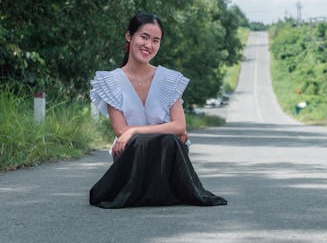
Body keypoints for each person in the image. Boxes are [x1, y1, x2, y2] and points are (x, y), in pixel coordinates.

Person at [88, 12, 227, 208]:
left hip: (166, 158)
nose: (149, 45)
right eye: (144, 37)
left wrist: (135, 130)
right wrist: (165, 131)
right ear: (129, 36)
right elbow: (121, 131)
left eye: (156, 40)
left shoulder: (169, 79)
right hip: (131, 158)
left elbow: (180, 125)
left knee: (170, 142)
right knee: (165, 140)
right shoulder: (111, 81)